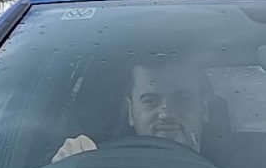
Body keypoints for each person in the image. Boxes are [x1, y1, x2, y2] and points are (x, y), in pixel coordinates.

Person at [55, 57, 209, 162]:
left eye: (182, 99)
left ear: (205, 109)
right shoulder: (95, 166)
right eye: (150, 101)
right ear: (130, 112)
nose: (166, 114)